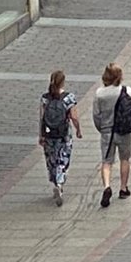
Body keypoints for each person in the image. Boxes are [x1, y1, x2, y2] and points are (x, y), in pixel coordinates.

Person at [92, 62, 131, 208]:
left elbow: (96, 115)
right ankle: (123, 188)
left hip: (107, 132)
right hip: (124, 131)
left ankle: (107, 186)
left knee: (107, 162)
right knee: (124, 159)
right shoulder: (127, 91)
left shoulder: (99, 94)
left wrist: (102, 128)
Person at [39, 70, 81, 207]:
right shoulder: (69, 98)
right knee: (63, 159)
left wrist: (41, 135)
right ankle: (60, 183)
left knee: (51, 160)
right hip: (63, 135)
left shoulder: (45, 98)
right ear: (63, 82)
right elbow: (74, 117)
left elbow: (42, 118)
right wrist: (78, 129)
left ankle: (55, 180)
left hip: (49, 134)